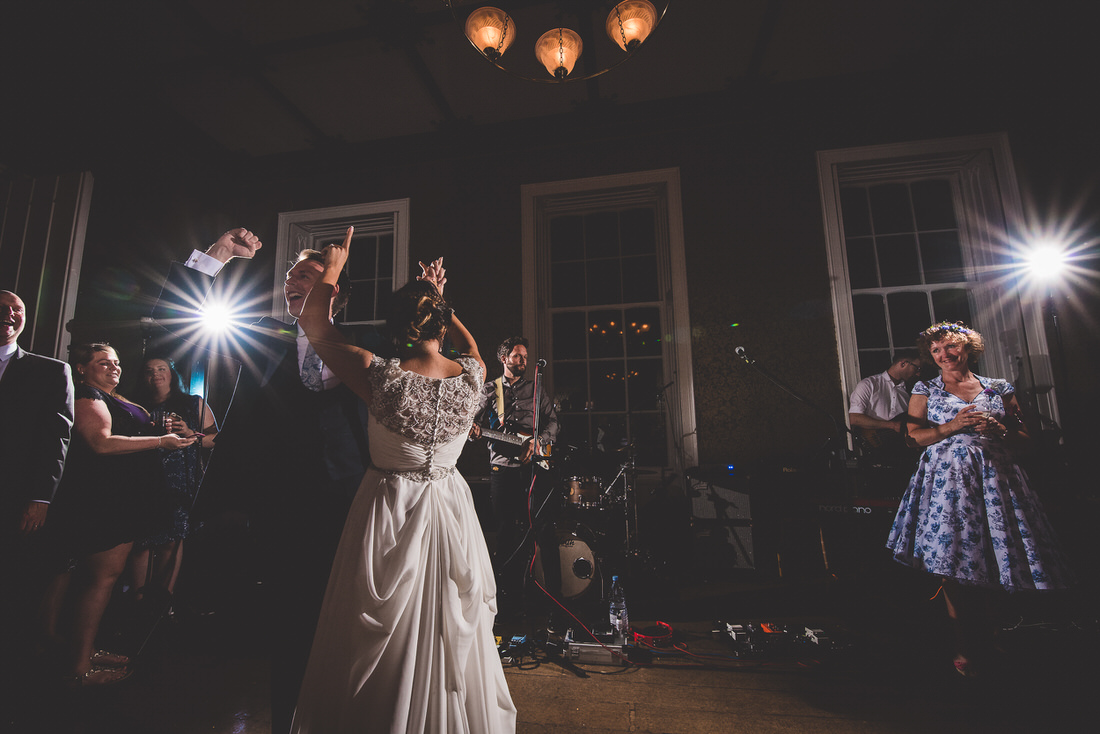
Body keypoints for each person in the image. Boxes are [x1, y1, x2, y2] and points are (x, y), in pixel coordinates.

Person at [150, 227, 378, 732]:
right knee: (291, 624)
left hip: (348, 501)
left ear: (335, 288)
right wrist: (220, 255)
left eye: (309, 275)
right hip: (278, 504)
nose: (292, 281)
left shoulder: (364, 343)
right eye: (291, 275)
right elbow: (169, 324)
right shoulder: (262, 332)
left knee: (347, 623)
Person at [290, 228, 516, 733]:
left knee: (378, 622)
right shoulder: (473, 375)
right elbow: (474, 346)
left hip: (390, 503)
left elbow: (314, 326)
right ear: (439, 321)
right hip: (449, 503)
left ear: (396, 326)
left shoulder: (379, 374)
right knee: (446, 615)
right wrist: (440, 301)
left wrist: (333, 268)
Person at [885, 322, 1074, 677]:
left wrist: (1002, 431)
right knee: (953, 562)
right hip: (947, 481)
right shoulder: (925, 388)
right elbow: (912, 439)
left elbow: (1027, 438)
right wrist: (950, 427)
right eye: (936, 350)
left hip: (995, 479)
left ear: (968, 348)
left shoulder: (997, 388)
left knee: (995, 556)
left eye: (950, 347)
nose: (944, 355)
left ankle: (994, 636)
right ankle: (962, 644)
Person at [40, 343, 195, 686]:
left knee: (102, 579)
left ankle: (87, 648)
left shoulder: (116, 397)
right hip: (102, 500)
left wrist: (176, 436)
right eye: (102, 362)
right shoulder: (88, 396)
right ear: (81, 368)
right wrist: (160, 443)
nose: (113, 367)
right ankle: (78, 667)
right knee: (101, 578)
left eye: (116, 362)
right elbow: (101, 442)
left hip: (122, 498)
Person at [0, 290, 74, 661]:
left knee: (11, 581)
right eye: (3, 306)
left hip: (14, 497)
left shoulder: (50, 370)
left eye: (18, 309)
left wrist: (40, 497)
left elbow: (55, 437)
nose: (10, 314)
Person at [469, 336, 561, 621]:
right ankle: (508, 601)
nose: (523, 361)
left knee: (543, 528)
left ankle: (554, 599)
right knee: (507, 532)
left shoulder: (536, 389)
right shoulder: (489, 390)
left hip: (534, 467)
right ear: (504, 358)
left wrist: (538, 441)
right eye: (518, 356)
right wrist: (473, 428)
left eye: (525, 356)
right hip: (502, 469)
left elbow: (554, 422)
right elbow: (470, 421)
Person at [128, 355, 218, 602]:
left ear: (172, 374)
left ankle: (162, 604)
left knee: (172, 540)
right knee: (141, 541)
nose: (155, 374)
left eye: (161, 368)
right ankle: (137, 603)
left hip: (180, 478)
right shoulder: (133, 405)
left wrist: (192, 434)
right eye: (149, 370)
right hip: (144, 478)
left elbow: (216, 438)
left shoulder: (192, 404)